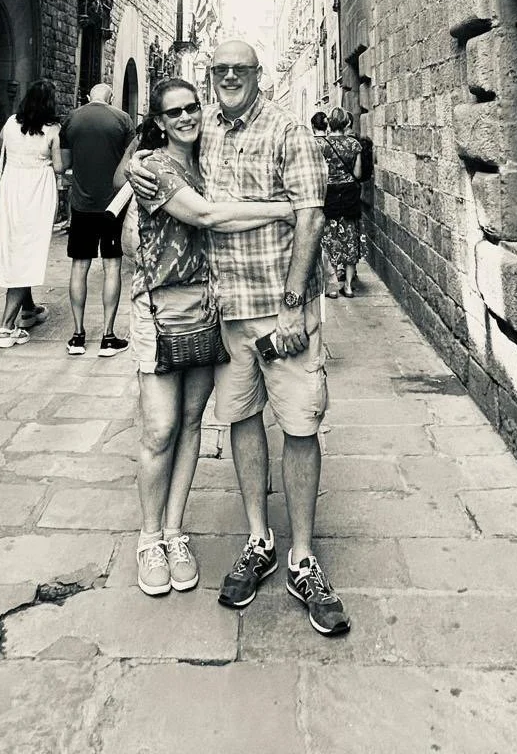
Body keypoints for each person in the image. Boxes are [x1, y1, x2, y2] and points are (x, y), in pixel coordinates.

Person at [128, 39, 351, 639]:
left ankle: (303, 559)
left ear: (260, 73)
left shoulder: (286, 131)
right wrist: (138, 156)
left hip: (280, 312)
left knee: (301, 425)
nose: (228, 78)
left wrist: (295, 303)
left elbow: (312, 214)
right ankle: (256, 539)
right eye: (219, 71)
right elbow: (190, 198)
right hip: (220, 316)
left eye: (239, 69)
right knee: (237, 423)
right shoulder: (198, 141)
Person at [115, 75, 297, 599]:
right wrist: (283, 208)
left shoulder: (208, 157)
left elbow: (220, 218)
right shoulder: (153, 166)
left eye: (192, 107)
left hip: (207, 307)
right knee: (160, 427)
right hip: (160, 310)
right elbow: (207, 215)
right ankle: (149, 538)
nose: (187, 117)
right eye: (173, 113)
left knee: (193, 422)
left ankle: (174, 531)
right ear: (159, 121)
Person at [60, 83, 135, 357]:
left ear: (88, 97)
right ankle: (107, 336)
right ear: (111, 97)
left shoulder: (72, 118)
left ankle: (77, 336)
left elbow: (65, 162)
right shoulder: (122, 119)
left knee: (79, 267)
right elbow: (130, 162)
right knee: (112, 267)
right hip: (113, 205)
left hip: (81, 205)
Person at [0, 79, 62, 349]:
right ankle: (7, 328)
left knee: (16, 247)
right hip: (37, 191)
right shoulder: (53, 129)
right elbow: (58, 167)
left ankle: (29, 309)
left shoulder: (10, 122)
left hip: (12, 189)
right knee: (27, 252)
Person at [319, 106, 363, 298]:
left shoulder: (322, 145)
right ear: (346, 123)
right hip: (349, 196)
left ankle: (333, 285)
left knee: (329, 238)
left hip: (329, 195)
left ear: (329, 123)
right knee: (350, 239)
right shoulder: (354, 145)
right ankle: (348, 286)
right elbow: (358, 174)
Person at [311, 112, 339, 299]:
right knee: (335, 233)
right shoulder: (332, 145)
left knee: (317, 238)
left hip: (315, 196)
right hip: (335, 194)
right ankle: (333, 280)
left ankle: (327, 280)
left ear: (313, 126)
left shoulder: (310, 144)